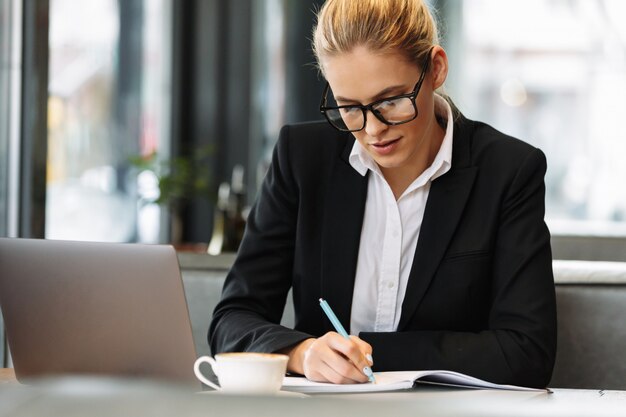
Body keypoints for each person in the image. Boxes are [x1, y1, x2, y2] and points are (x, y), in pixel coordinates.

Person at [209, 0, 556, 389]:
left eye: (391, 101)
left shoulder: (508, 171)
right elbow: (232, 319)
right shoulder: (302, 158)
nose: (373, 129)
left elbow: (527, 353)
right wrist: (302, 353)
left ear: (436, 68)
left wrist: (364, 352)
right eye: (349, 107)